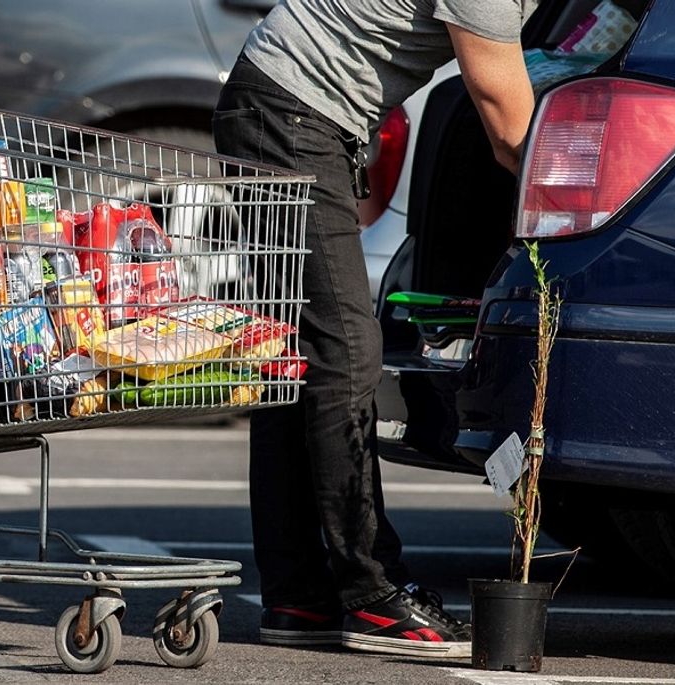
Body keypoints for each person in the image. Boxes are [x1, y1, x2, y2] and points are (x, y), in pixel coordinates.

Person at [212, 0, 537, 658]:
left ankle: (299, 593)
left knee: (303, 356)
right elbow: (508, 126)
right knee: (345, 354)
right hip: (291, 112)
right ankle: (372, 591)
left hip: (282, 101)